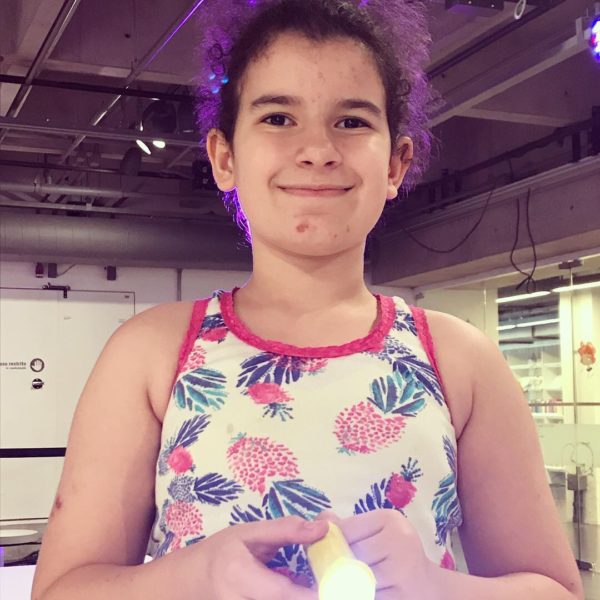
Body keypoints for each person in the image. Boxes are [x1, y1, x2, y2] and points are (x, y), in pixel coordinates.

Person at [31, 1, 584, 599]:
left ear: (396, 164)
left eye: (351, 121)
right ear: (225, 158)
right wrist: (193, 576)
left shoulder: (460, 361)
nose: (317, 149)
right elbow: (62, 590)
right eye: (277, 118)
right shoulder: (150, 354)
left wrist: (436, 586)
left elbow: (555, 590)